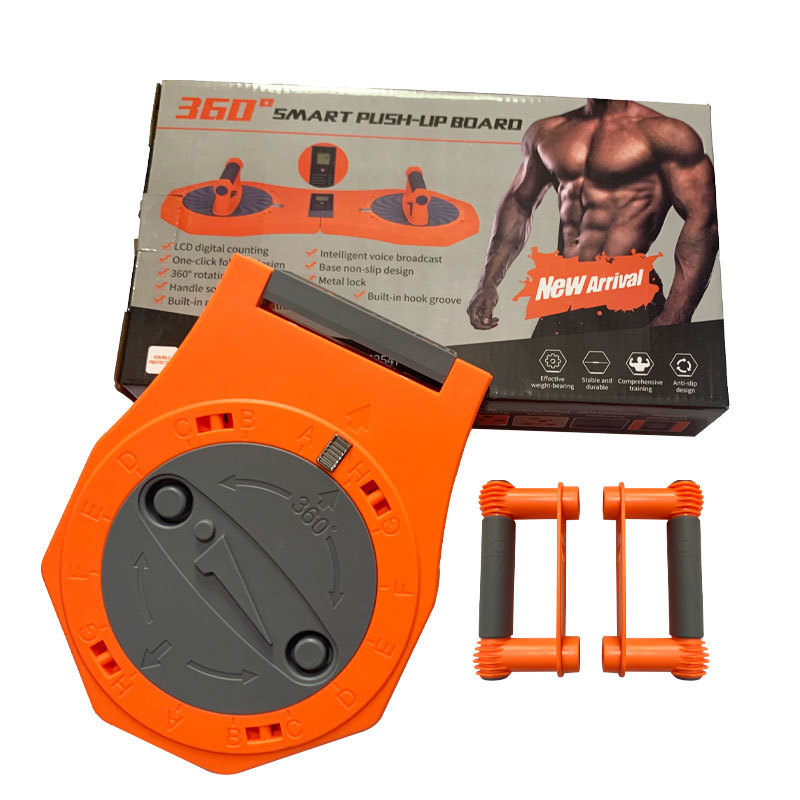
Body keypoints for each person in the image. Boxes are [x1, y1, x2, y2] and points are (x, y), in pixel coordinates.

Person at [467, 100, 718, 334]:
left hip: (628, 294)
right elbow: (519, 204)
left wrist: (674, 319)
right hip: (563, 295)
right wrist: (488, 282)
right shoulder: (547, 133)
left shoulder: (666, 135)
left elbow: (705, 222)